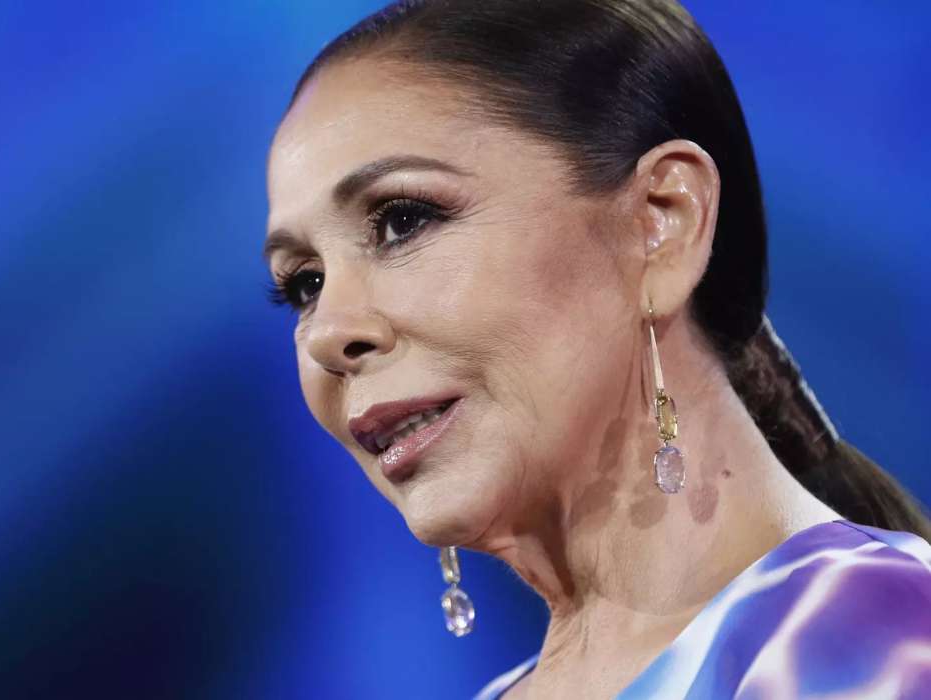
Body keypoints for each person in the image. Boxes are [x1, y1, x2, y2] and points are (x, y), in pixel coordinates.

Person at [261, 1, 931, 697]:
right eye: (304, 284)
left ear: (661, 222)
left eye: (404, 220)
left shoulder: (870, 643)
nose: (329, 333)